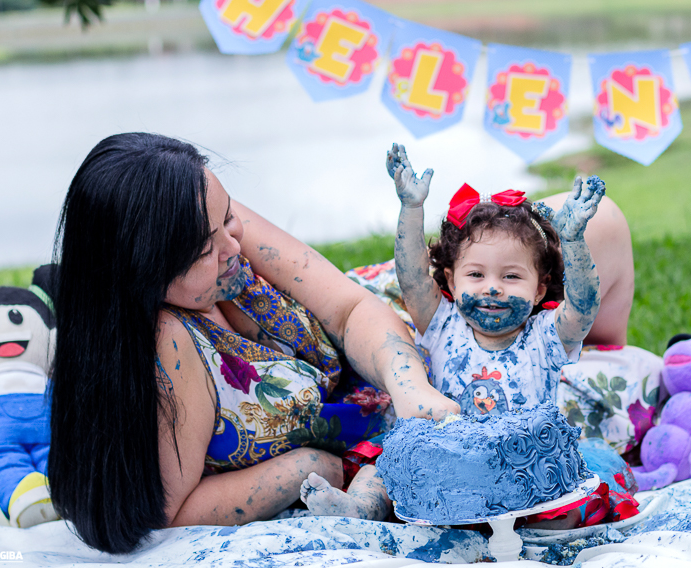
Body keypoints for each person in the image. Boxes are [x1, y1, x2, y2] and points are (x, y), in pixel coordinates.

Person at [47, 133, 459, 554]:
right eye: (205, 250)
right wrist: (308, 466)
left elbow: (349, 309)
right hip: (364, 421)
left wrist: (408, 385)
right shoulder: (167, 343)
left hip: (388, 336)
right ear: (144, 272)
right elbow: (168, 515)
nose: (234, 246)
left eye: (228, 217)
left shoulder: (201, 211)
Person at [300, 143, 606, 520]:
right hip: (442, 470)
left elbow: (584, 306)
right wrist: (412, 210)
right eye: (476, 275)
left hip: (523, 478)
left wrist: (573, 240)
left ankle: (534, 550)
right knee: (379, 472)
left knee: (567, 510)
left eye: (511, 276)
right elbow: (412, 278)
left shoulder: (546, 336)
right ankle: (358, 509)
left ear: (540, 288)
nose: (492, 287)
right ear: (450, 278)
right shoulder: (445, 324)